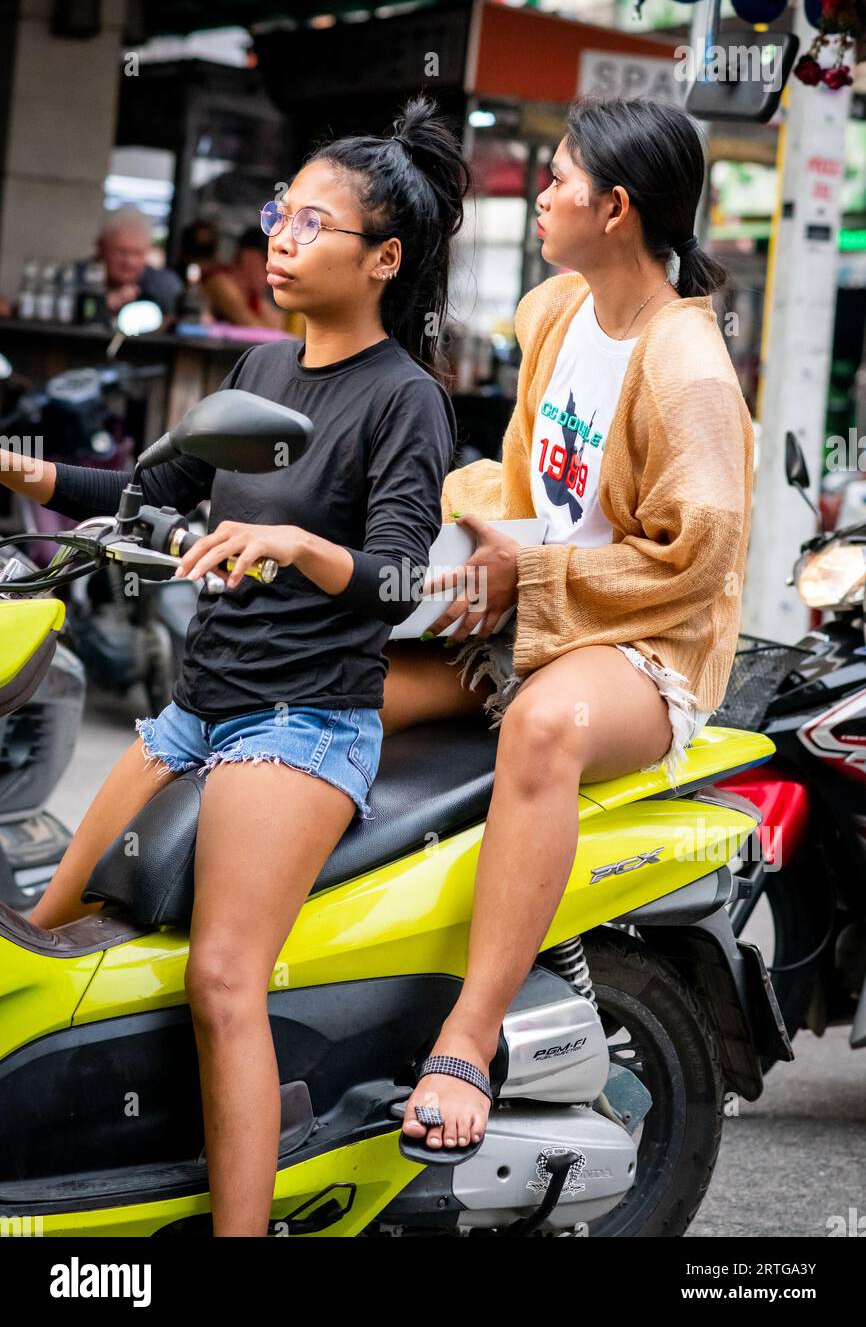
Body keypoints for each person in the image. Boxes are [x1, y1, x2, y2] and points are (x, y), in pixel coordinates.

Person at [0, 95, 467, 1235]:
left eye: (313, 222)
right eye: (279, 213)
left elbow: (400, 577)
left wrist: (300, 546)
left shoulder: (403, 398)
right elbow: (158, 492)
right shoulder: (261, 363)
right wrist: (34, 480)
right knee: (51, 937)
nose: (282, 237)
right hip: (198, 710)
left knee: (222, 981)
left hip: (301, 723)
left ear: (384, 258)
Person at [380, 93, 755, 1156]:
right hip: (530, 602)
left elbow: (697, 560)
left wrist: (531, 575)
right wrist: (460, 529)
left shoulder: (685, 370)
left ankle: (468, 1030)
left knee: (542, 726)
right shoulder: (552, 313)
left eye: (554, 180)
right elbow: (518, 475)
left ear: (617, 208)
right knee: (342, 678)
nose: (537, 194)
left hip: (643, 645)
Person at [79, 207, 183, 324]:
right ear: (100, 248)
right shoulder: (75, 278)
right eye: (121, 252)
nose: (129, 262)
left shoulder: (165, 286)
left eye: (137, 253)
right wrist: (104, 304)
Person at [200, 226, 288, 330]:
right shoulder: (219, 281)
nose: (273, 268)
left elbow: (282, 328)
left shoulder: (252, 296)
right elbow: (255, 329)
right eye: (266, 259)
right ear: (247, 258)